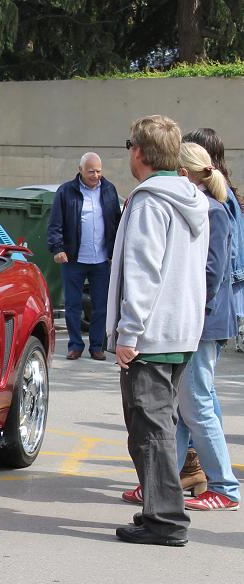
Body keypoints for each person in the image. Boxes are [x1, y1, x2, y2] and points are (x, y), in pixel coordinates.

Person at [110, 115, 209, 547]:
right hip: (180, 329)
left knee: (149, 431)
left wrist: (128, 333)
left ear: (140, 152)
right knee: (156, 427)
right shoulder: (190, 197)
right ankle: (159, 509)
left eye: (129, 145)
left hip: (151, 334)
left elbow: (143, 272)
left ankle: (165, 520)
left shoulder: (150, 202)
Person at [169, 142, 239, 511]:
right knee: (187, 405)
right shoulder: (206, 206)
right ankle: (164, 482)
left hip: (204, 323)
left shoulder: (212, 210)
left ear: (184, 173)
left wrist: (192, 315)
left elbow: (212, 273)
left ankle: (225, 487)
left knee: (196, 404)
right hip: (201, 320)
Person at [47, 152, 122, 360]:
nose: (96, 175)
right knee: (73, 305)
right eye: (91, 172)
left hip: (101, 260)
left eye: (98, 171)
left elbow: (116, 222)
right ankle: (75, 345)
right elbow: (55, 224)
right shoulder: (66, 192)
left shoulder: (109, 190)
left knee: (101, 306)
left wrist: (117, 251)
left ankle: (97, 346)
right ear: (80, 170)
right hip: (73, 259)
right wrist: (57, 248)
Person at [183, 128, 244, 353]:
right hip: (218, 296)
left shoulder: (217, 200)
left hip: (214, 301)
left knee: (201, 374)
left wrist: (201, 301)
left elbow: (225, 256)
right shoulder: (217, 193)